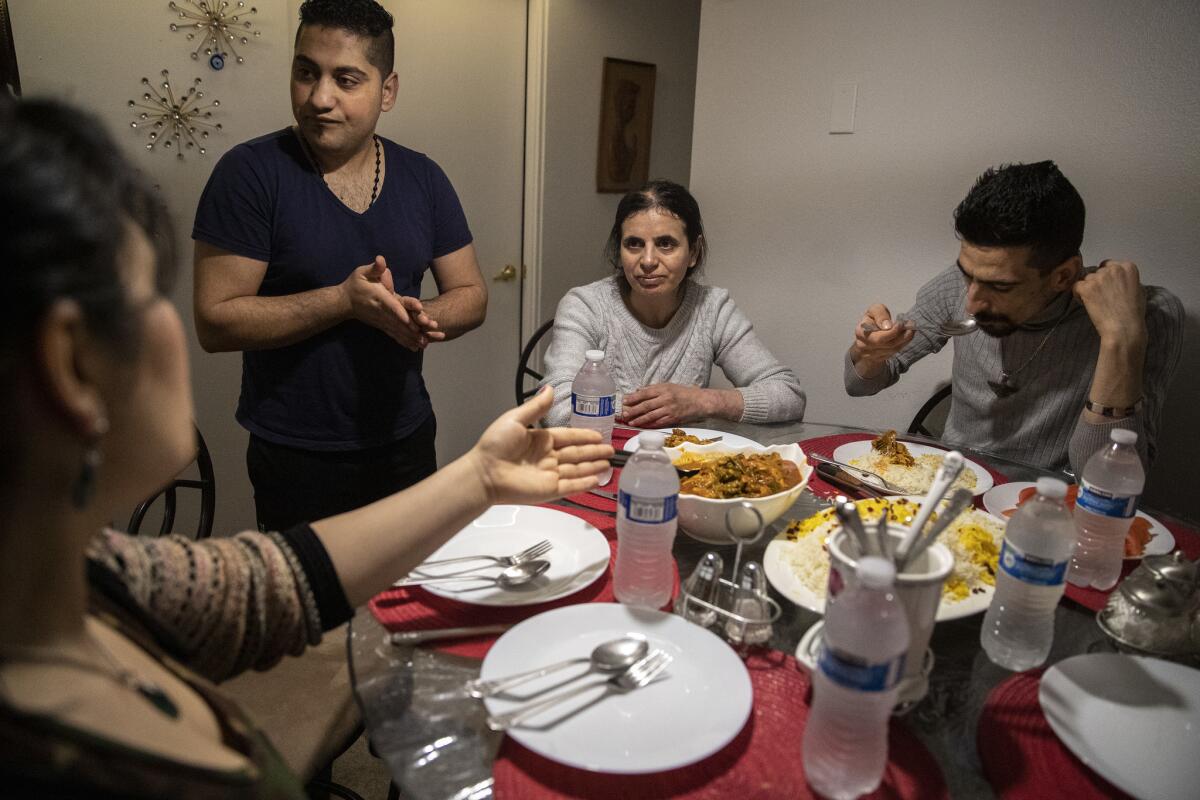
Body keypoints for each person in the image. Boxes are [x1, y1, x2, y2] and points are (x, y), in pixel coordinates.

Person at [0, 98, 609, 798]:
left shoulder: (104, 575)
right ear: (69, 363)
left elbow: (275, 585)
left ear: (387, 86)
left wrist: (480, 478)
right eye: (146, 297)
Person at [192, 0, 487, 532]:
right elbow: (215, 322)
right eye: (306, 72)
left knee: (408, 601)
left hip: (406, 439)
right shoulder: (250, 173)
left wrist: (419, 315)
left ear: (387, 90)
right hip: (296, 456)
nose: (319, 97)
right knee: (313, 612)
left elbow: (471, 293)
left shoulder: (424, 177)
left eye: (345, 79)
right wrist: (342, 301)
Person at [845, 160, 1183, 474]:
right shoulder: (959, 285)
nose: (972, 303)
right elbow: (859, 384)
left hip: (1046, 509)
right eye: (968, 274)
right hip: (949, 484)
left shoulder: (1146, 315)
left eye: (1000, 287)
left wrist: (1120, 340)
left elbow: (1111, 478)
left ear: (1063, 276)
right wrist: (868, 354)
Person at [541, 180, 807, 428]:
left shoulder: (712, 309)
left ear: (693, 252)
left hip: (686, 469)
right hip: (598, 462)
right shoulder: (585, 305)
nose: (647, 260)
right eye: (633, 244)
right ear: (619, 251)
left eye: (665, 244)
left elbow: (788, 395)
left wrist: (702, 401)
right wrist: (651, 408)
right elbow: (555, 407)